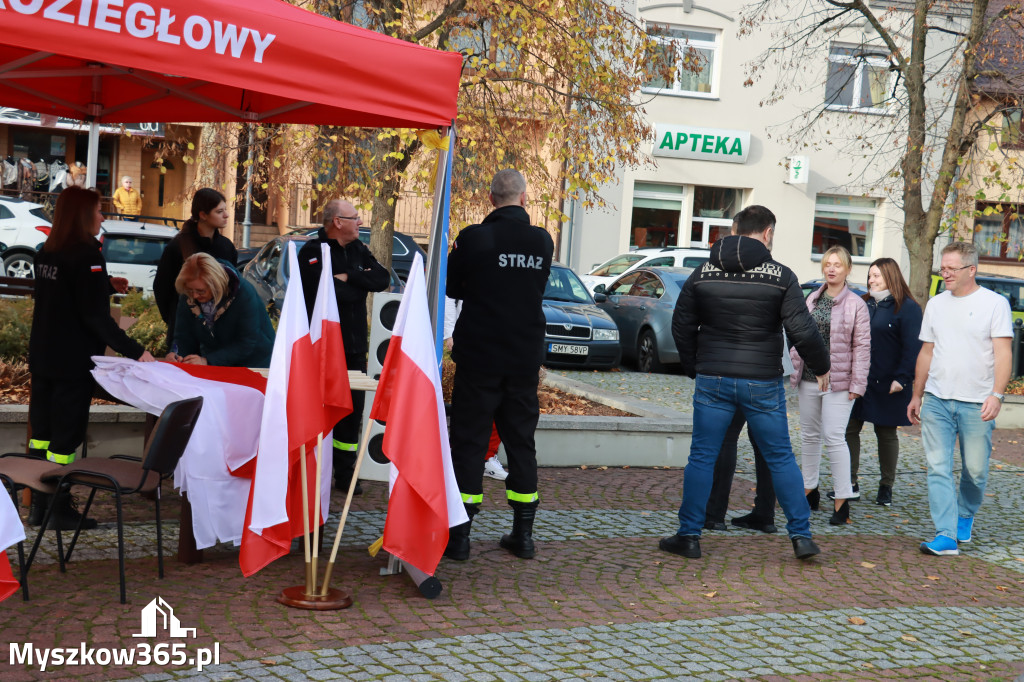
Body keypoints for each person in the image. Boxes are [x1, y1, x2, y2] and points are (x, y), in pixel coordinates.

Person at [663, 204, 830, 561]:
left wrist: (696, 365)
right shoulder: (781, 276)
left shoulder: (703, 272)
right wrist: (822, 366)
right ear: (767, 232)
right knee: (781, 457)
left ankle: (689, 535)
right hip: (762, 382)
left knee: (702, 456)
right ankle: (801, 536)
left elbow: (681, 323)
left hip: (713, 378)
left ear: (735, 229)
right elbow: (802, 329)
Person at [28, 186, 156, 529]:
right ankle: (59, 508)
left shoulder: (47, 254)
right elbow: (95, 319)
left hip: (42, 357)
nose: (102, 216)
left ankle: (39, 506)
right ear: (83, 215)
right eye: (99, 211)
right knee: (65, 440)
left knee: (41, 433)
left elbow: (61, 299)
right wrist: (138, 351)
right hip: (72, 362)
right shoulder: (86, 255)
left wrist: (105, 285)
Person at [445, 169, 554, 561]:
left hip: (480, 357)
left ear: (491, 200)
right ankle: (523, 535)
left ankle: (459, 537)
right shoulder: (543, 240)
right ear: (524, 198)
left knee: (470, 442)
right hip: (523, 358)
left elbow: (452, 287)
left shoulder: (473, 238)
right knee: (520, 442)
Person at [908, 242, 1012, 556]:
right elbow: (926, 352)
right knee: (938, 466)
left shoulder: (995, 304)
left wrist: (997, 395)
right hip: (937, 400)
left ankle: (965, 514)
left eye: (952, 268)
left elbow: (1003, 353)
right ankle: (946, 535)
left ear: (971, 270)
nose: (945, 272)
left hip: (977, 402)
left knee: (976, 469)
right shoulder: (936, 305)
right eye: (944, 266)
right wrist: (917, 394)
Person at [297, 199, 389, 495]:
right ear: (337, 221)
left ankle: (346, 472)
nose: (360, 222)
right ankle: (313, 467)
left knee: (351, 411)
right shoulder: (313, 252)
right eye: (355, 217)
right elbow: (329, 293)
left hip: (353, 348)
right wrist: (354, 286)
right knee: (319, 409)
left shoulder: (359, 251)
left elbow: (382, 279)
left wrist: (352, 277)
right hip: (322, 348)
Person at [790, 246, 870, 526]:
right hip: (809, 378)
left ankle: (842, 498)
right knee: (810, 436)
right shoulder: (813, 297)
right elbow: (799, 336)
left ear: (848, 269)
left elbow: (862, 347)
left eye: (837, 264)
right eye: (827, 264)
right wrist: (793, 367)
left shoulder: (856, 304)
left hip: (839, 382)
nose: (831, 269)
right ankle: (809, 489)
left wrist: (857, 384)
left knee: (835, 437)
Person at [844, 258, 922, 507]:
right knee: (849, 429)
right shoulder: (863, 303)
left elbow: (913, 348)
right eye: (869, 276)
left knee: (885, 432)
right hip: (859, 379)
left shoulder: (907, 308)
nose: (871, 281)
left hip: (890, 382)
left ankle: (886, 486)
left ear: (891, 276)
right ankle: (850, 483)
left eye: (876, 276)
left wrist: (902, 378)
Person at [704, 332, 795, 534]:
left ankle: (714, 514)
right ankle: (765, 513)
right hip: (768, 364)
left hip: (733, 363)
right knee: (767, 443)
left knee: (727, 437)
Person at [153, 188, 237, 345]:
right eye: (219, 211)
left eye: (225, 210)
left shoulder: (227, 247)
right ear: (203, 215)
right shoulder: (177, 246)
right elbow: (162, 288)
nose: (226, 215)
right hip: (185, 332)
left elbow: (233, 289)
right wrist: (174, 319)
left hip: (218, 332)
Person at [165, 253, 274, 368]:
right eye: (190, 290)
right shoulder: (188, 296)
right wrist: (176, 354)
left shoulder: (244, 294)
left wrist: (208, 360)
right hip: (218, 362)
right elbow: (183, 335)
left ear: (216, 285)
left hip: (255, 363)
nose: (195, 295)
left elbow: (247, 342)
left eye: (201, 291)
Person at [444, 296, 508, 481]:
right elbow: (449, 295)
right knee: (470, 403)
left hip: (504, 341)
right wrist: (450, 332)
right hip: (473, 341)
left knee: (499, 402)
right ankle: (461, 458)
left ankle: (486, 457)